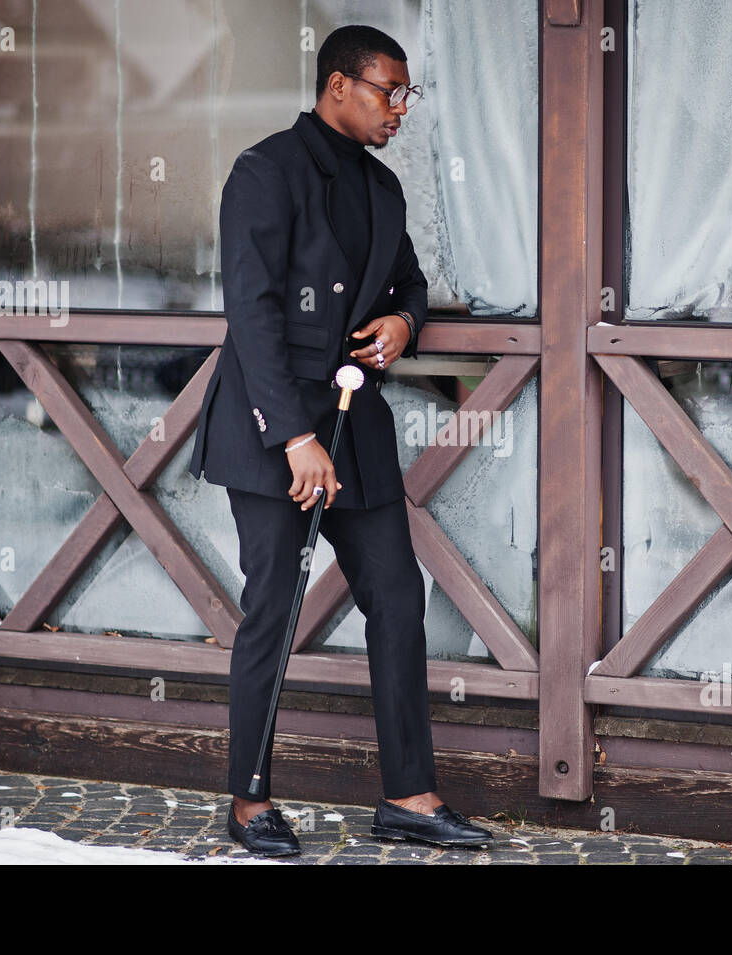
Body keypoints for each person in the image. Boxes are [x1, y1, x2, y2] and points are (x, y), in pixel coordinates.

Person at [187, 24, 492, 856]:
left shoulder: (382, 189)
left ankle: (409, 794)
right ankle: (249, 802)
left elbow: (409, 283)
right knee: (272, 612)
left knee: (397, 597)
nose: (401, 108)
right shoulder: (265, 172)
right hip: (271, 431)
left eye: (407, 94)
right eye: (388, 91)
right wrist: (292, 436)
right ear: (337, 88)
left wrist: (404, 318)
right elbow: (248, 314)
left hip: (354, 430)